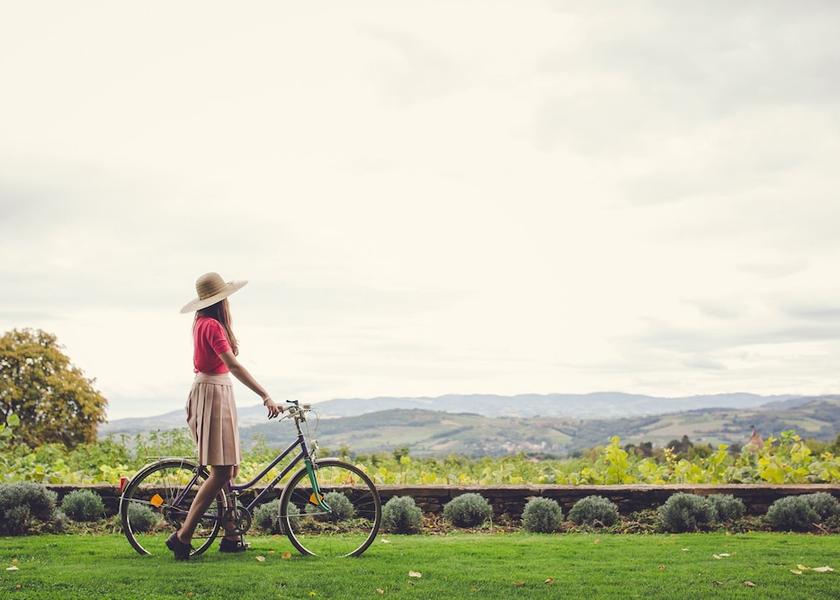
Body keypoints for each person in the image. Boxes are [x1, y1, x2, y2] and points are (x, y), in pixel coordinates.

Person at [166, 272, 284, 560]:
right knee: (221, 471)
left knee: (228, 470)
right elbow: (233, 365)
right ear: (221, 301)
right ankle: (183, 536)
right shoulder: (212, 326)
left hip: (215, 392)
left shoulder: (202, 323)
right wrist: (265, 395)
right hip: (213, 394)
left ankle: (231, 535)